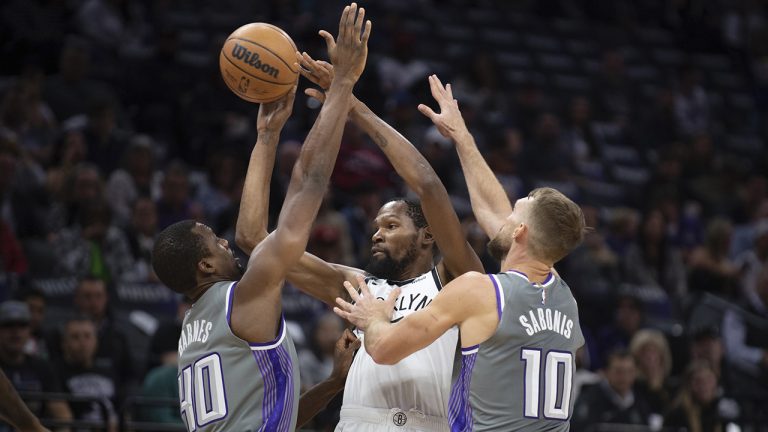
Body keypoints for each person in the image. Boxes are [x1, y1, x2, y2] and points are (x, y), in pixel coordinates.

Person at [149, 4, 370, 431]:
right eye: (215, 240)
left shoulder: (194, 330)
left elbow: (251, 235)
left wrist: (331, 385)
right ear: (206, 265)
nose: (227, 242)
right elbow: (307, 185)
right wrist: (342, 85)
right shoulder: (241, 301)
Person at [242, 51, 483, 430]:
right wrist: (266, 139)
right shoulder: (358, 288)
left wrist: (352, 105)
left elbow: (429, 187)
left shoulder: (454, 280)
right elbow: (255, 240)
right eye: (376, 226)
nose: (376, 233)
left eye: (390, 225)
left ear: (427, 235)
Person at [334, 75, 586, 431]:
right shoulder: (564, 297)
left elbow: (384, 349)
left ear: (520, 232)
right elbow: (496, 213)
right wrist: (463, 138)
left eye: (515, 210)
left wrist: (373, 317)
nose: (505, 214)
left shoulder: (479, 291)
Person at [0, 301, 72, 432]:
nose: (15, 332)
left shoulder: (43, 367)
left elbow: (63, 415)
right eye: (8, 325)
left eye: (22, 325)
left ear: (30, 330)